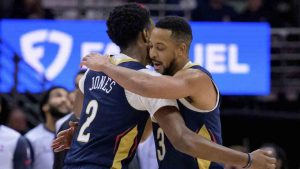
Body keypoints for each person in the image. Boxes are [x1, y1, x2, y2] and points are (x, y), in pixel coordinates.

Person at [79, 16, 276, 169]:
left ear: (181, 49)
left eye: (160, 48)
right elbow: (143, 132)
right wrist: (94, 131)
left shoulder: (195, 78)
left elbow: (146, 85)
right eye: (152, 47)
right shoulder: (162, 83)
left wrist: (106, 66)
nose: (153, 54)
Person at [53, 3, 179, 169]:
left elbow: (78, 112)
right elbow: (143, 137)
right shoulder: (147, 79)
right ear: (146, 34)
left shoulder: (94, 69)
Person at [26, 86, 71, 169]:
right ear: (45, 106)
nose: (64, 100)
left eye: (68, 98)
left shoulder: (77, 136)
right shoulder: (31, 138)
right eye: (58, 95)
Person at [53, 70, 86, 169]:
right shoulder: (65, 124)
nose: (79, 91)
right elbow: (59, 164)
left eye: (84, 85)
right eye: (77, 87)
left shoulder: (109, 116)